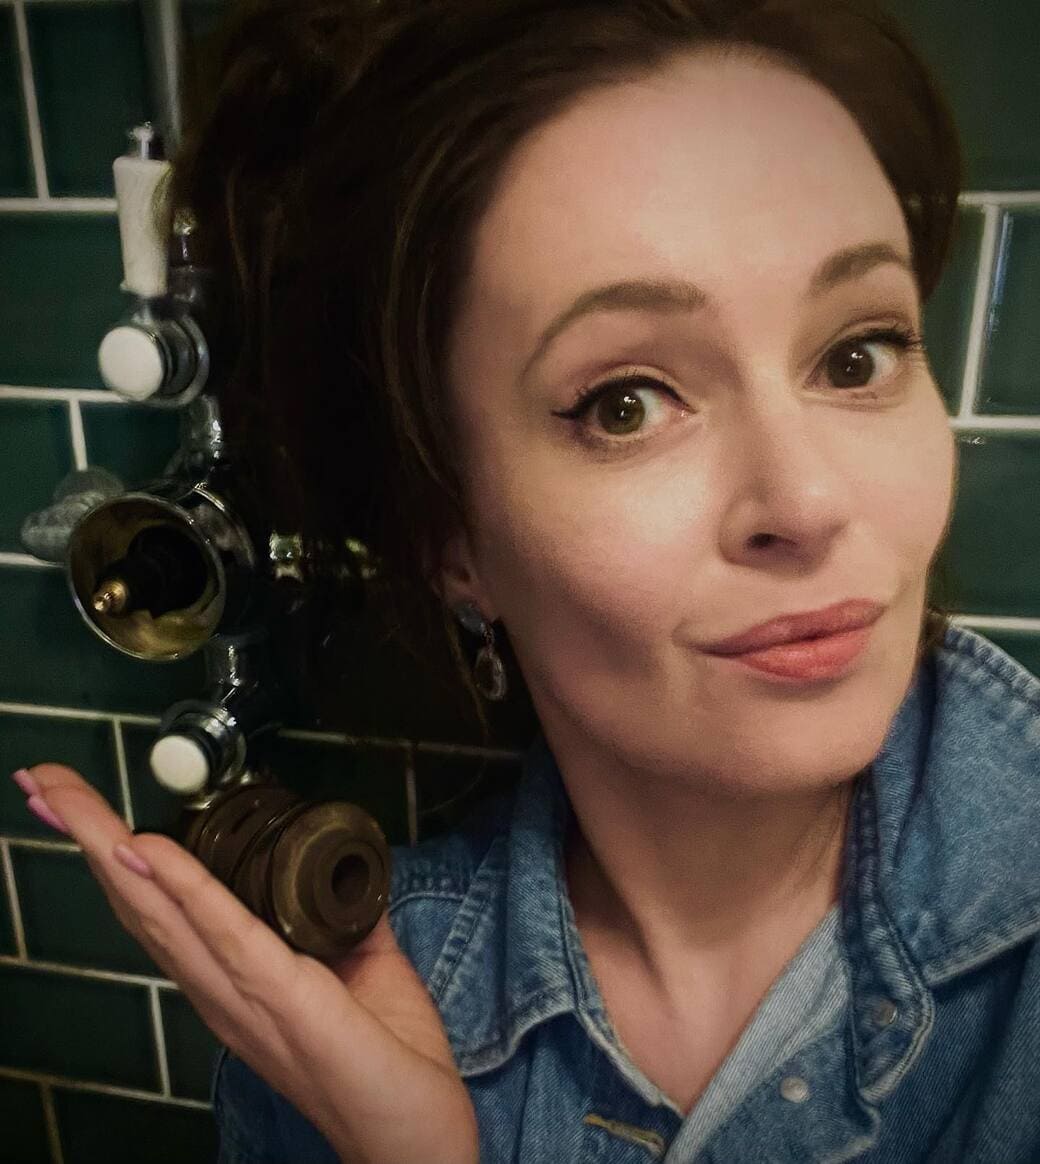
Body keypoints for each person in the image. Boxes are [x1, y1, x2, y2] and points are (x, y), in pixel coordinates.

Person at [12, 0, 1040, 1160]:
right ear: (454, 541)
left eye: (856, 355)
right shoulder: (343, 1035)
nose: (806, 504)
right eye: (625, 403)